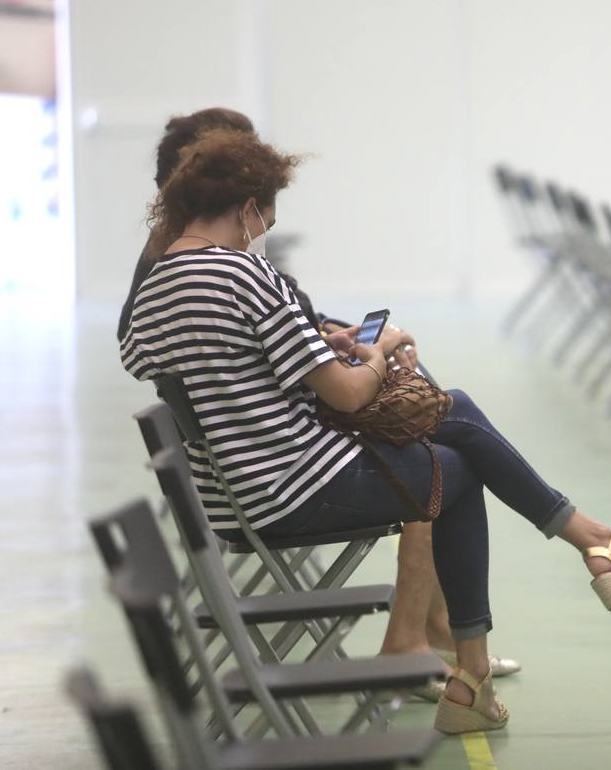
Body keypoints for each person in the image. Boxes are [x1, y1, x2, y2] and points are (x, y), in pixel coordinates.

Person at [120, 129, 611, 733]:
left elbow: (170, 362)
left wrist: (316, 345)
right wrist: (379, 352)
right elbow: (345, 392)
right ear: (245, 210)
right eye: (265, 217)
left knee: (456, 424)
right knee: (459, 469)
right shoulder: (245, 273)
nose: (262, 230)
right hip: (296, 484)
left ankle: (585, 556)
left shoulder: (153, 288)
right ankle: (571, 572)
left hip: (231, 494)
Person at [118, 109, 520, 694]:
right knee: (438, 437)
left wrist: (320, 334)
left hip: (235, 476)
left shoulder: (180, 265)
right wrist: (358, 352)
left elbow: (266, 325)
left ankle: (444, 626)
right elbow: (321, 378)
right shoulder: (216, 267)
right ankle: (434, 634)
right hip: (275, 469)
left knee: (434, 418)